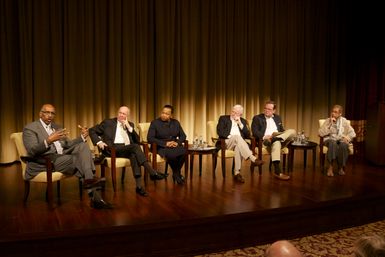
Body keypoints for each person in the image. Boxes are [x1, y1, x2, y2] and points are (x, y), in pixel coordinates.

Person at [22, 104, 112, 209]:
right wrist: (49, 140)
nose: (50, 116)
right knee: (79, 160)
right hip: (46, 161)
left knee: (82, 146)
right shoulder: (30, 128)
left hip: (62, 155)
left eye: (52, 113)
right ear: (40, 114)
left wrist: (82, 137)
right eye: (47, 113)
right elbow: (32, 151)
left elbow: (67, 144)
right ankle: (94, 191)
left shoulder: (56, 127)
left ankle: (89, 181)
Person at [89, 106, 166, 197]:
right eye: (120, 113)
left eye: (124, 114)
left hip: (127, 149)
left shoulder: (130, 124)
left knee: (134, 154)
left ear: (127, 115)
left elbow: (137, 140)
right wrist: (99, 142)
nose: (121, 115)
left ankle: (139, 187)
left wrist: (129, 128)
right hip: (113, 149)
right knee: (135, 148)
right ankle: (152, 172)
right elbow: (92, 130)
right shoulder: (108, 122)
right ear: (117, 113)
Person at [216, 104, 265, 183]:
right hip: (226, 142)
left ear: (240, 114)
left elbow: (248, 135)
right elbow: (219, 132)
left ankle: (237, 173)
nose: (233, 113)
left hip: (239, 144)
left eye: (236, 113)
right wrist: (231, 136)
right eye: (233, 111)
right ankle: (253, 158)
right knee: (237, 137)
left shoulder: (243, 121)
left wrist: (240, 124)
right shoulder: (223, 118)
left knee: (238, 147)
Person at [251, 100, 296, 180]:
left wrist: (279, 135)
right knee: (277, 143)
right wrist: (264, 136)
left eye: (269, 109)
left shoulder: (278, 117)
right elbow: (254, 132)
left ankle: (276, 138)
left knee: (292, 131)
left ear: (274, 110)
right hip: (266, 140)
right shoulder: (257, 118)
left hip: (277, 136)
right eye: (265, 108)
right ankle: (277, 171)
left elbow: (282, 130)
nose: (266, 110)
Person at [147, 105, 187, 185]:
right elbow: (150, 138)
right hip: (160, 146)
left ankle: (176, 173)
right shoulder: (155, 123)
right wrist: (165, 143)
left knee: (184, 152)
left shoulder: (175, 122)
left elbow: (183, 136)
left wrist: (177, 142)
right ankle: (177, 174)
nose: (163, 115)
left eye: (166, 114)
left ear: (171, 115)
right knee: (171, 155)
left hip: (174, 145)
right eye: (163, 113)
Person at [318, 105, 356, 177]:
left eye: (335, 112)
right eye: (332, 111)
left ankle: (340, 167)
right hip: (329, 140)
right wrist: (330, 126)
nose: (333, 113)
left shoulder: (344, 121)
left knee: (344, 145)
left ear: (340, 113)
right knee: (333, 143)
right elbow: (320, 133)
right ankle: (330, 166)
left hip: (340, 140)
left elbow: (353, 133)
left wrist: (347, 137)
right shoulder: (328, 120)